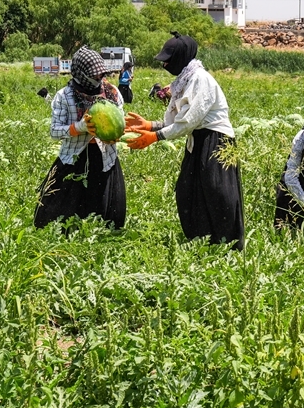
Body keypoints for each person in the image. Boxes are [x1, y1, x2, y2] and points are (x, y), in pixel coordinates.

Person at [124, 33, 244, 249]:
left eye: (168, 60)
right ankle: (201, 239)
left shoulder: (200, 79)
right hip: (198, 140)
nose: (165, 64)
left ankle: (227, 243)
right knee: (188, 189)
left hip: (216, 141)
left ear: (181, 58)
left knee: (217, 192)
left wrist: (154, 137)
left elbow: (188, 121)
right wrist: (149, 125)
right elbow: (174, 120)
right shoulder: (182, 81)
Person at [34, 46, 126, 230]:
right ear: (81, 74)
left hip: (105, 157)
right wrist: (79, 127)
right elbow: (54, 131)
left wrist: (114, 136)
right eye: (95, 75)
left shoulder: (112, 92)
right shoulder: (64, 96)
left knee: (105, 213)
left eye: (101, 74)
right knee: (61, 215)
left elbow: (120, 120)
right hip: (74, 158)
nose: (99, 79)